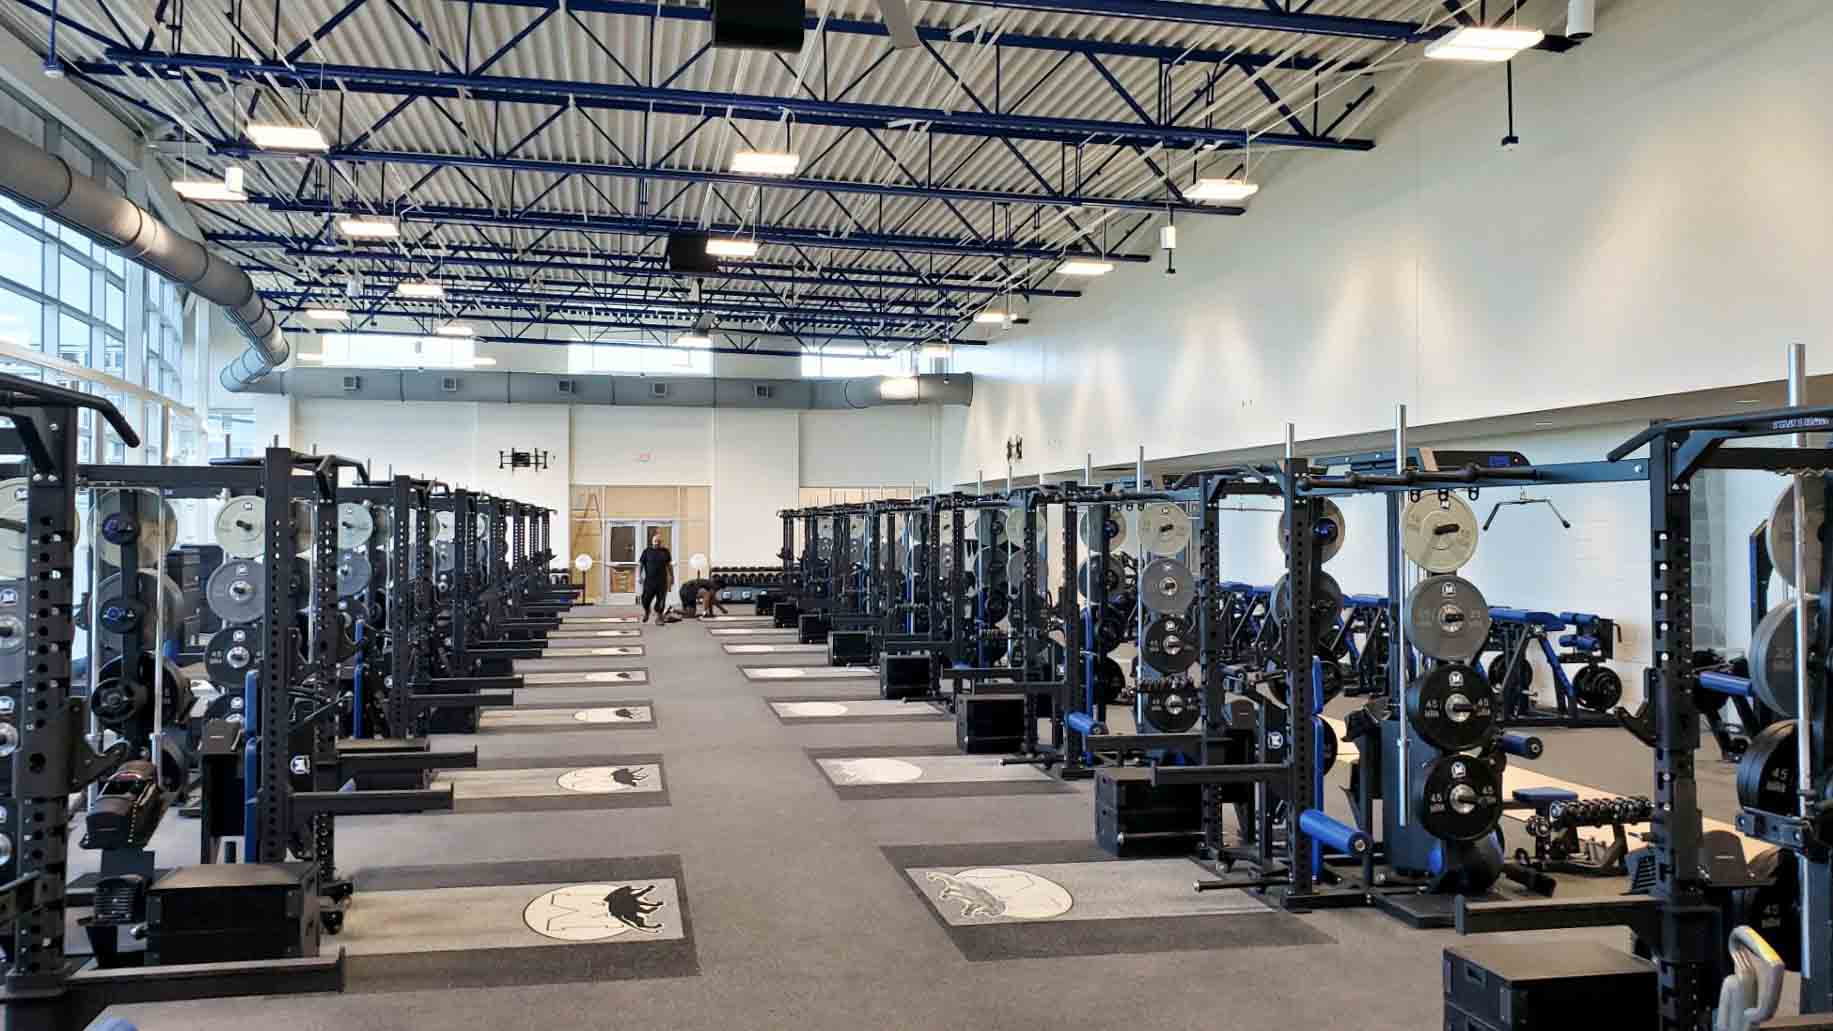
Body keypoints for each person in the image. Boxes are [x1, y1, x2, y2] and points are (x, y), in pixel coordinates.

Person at [637, 533, 672, 623]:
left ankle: (659, 617)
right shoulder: (647, 551)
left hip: (662, 581)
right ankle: (647, 611)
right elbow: (641, 564)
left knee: (661, 600)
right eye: (655, 541)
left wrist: (672, 577)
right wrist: (639, 576)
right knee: (645, 599)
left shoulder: (665, 551)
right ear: (652, 542)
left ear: (661, 542)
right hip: (649, 581)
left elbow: (669, 565)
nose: (657, 543)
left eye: (659, 541)